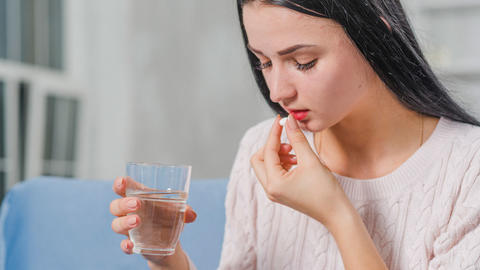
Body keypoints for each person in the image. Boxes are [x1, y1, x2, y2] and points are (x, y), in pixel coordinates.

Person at [110, 0, 480, 269]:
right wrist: (166, 258)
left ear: (377, 36)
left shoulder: (468, 170)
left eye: (304, 62)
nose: (277, 92)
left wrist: (337, 213)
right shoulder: (261, 150)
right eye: (264, 62)